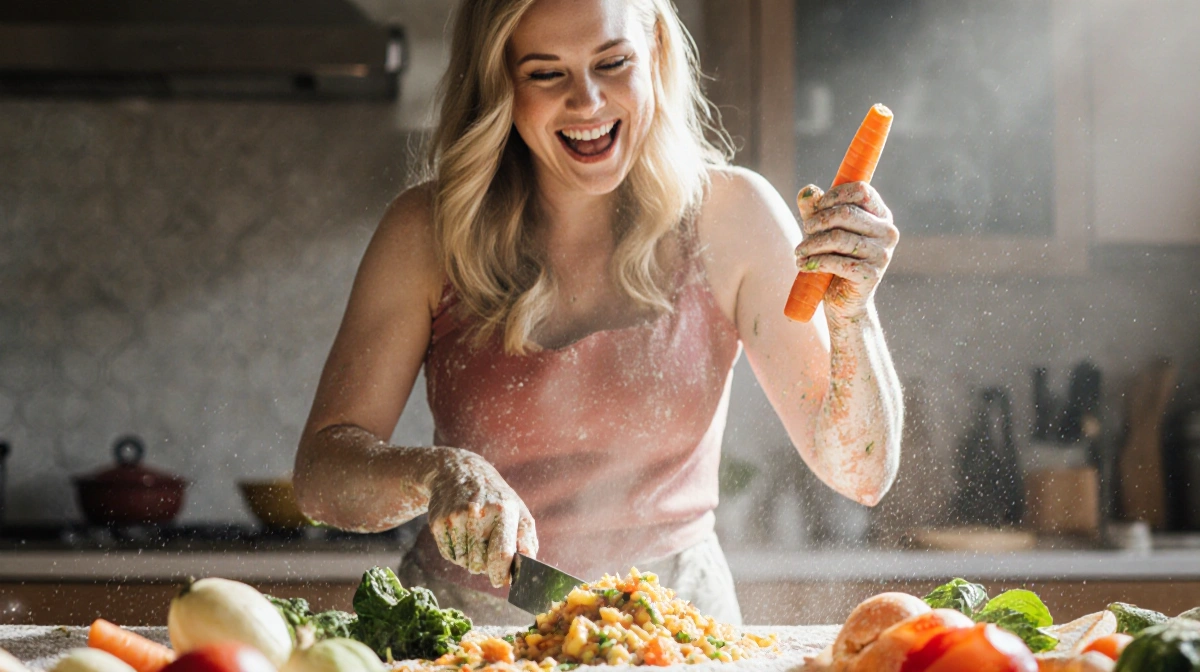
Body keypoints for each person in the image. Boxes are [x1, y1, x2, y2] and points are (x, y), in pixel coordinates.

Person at [293, 0, 903, 626]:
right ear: (498, 84)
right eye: (545, 73)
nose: (587, 101)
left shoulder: (734, 215)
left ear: (657, 56)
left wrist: (852, 312)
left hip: (672, 637)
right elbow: (319, 475)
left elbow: (860, 474)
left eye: (612, 62)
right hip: (468, 638)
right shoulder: (425, 232)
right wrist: (439, 471)